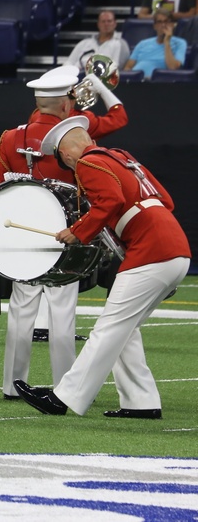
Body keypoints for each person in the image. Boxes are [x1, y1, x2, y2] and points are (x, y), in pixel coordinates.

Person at [0, 67, 119, 397]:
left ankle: (12, 384)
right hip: (63, 232)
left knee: (21, 309)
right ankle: (65, 386)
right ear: (67, 104)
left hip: (19, 232)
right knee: (62, 313)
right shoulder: (73, 140)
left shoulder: (11, 137)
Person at [15, 116, 190, 419]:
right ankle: (141, 401)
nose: (72, 171)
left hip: (151, 250)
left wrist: (78, 231)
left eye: (65, 163)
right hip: (175, 246)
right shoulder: (122, 158)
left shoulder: (87, 162)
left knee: (109, 327)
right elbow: (167, 200)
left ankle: (62, 398)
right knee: (125, 328)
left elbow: (110, 200)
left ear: (66, 154)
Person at [123, 10, 186, 78]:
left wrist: (167, 42)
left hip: (158, 84)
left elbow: (173, 68)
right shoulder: (142, 43)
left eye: (166, 21)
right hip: (136, 82)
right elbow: (128, 67)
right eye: (159, 22)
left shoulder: (180, 43)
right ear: (154, 26)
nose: (163, 25)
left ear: (172, 25)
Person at [65, 9, 131, 71]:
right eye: (103, 21)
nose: (106, 24)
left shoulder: (120, 44)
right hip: (77, 76)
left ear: (115, 24)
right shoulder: (84, 43)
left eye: (109, 21)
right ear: (98, 24)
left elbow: (117, 68)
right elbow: (69, 61)